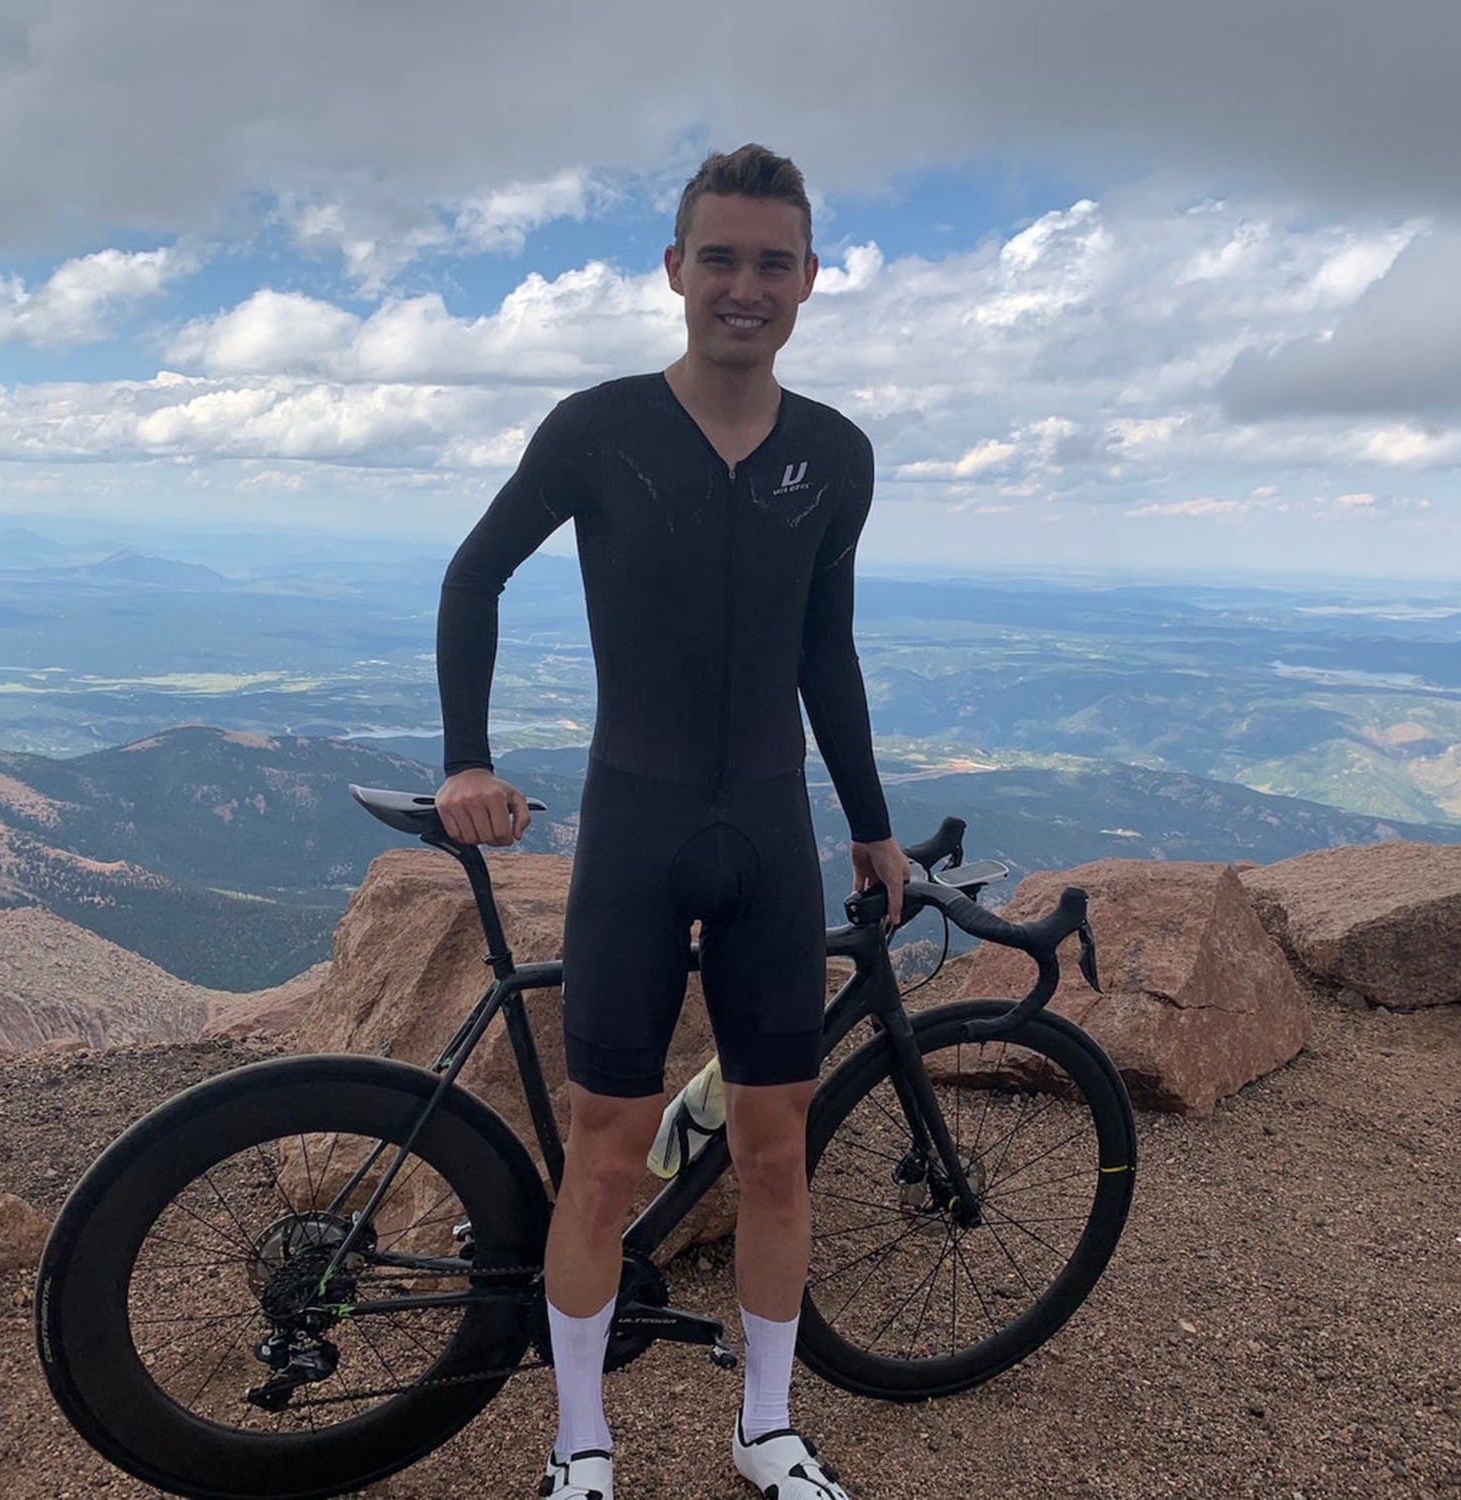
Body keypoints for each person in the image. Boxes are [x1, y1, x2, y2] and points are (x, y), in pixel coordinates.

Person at [434, 142, 908, 1500]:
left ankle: (766, 1431)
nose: (744, 286)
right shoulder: (598, 429)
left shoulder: (837, 454)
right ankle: (581, 1443)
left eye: (773, 261)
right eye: (721, 257)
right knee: (603, 1150)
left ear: (810, 279)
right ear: (675, 270)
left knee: (775, 1152)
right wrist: (467, 760)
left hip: (768, 829)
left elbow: (827, 651)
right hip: (637, 830)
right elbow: (475, 580)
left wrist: (868, 823)